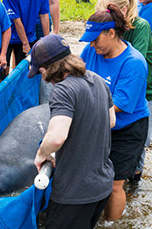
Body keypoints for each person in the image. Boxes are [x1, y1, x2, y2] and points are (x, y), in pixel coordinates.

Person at [30, 34, 115, 228]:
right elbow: (111, 121)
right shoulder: (97, 79)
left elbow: (57, 137)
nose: (42, 77)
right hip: (101, 186)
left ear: (48, 68)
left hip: (74, 193)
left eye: (40, 71)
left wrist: (42, 153)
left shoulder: (63, 90)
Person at [79, 3, 149, 221]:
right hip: (98, 122)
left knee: (114, 182)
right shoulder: (91, 50)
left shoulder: (134, 62)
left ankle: (112, 224)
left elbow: (117, 106)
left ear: (111, 33)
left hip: (127, 128)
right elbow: (75, 75)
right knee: (92, 175)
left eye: (95, 38)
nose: (91, 44)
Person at [96, 0, 152, 184]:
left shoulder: (140, 27)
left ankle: (134, 179)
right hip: (112, 102)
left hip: (141, 92)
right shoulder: (98, 43)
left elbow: (137, 61)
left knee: (135, 150)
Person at [2, 0, 50, 76]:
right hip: (7, 35)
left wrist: (47, 40)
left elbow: (44, 14)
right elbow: (16, 20)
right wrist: (25, 43)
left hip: (28, 35)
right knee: (4, 69)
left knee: (22, 71)